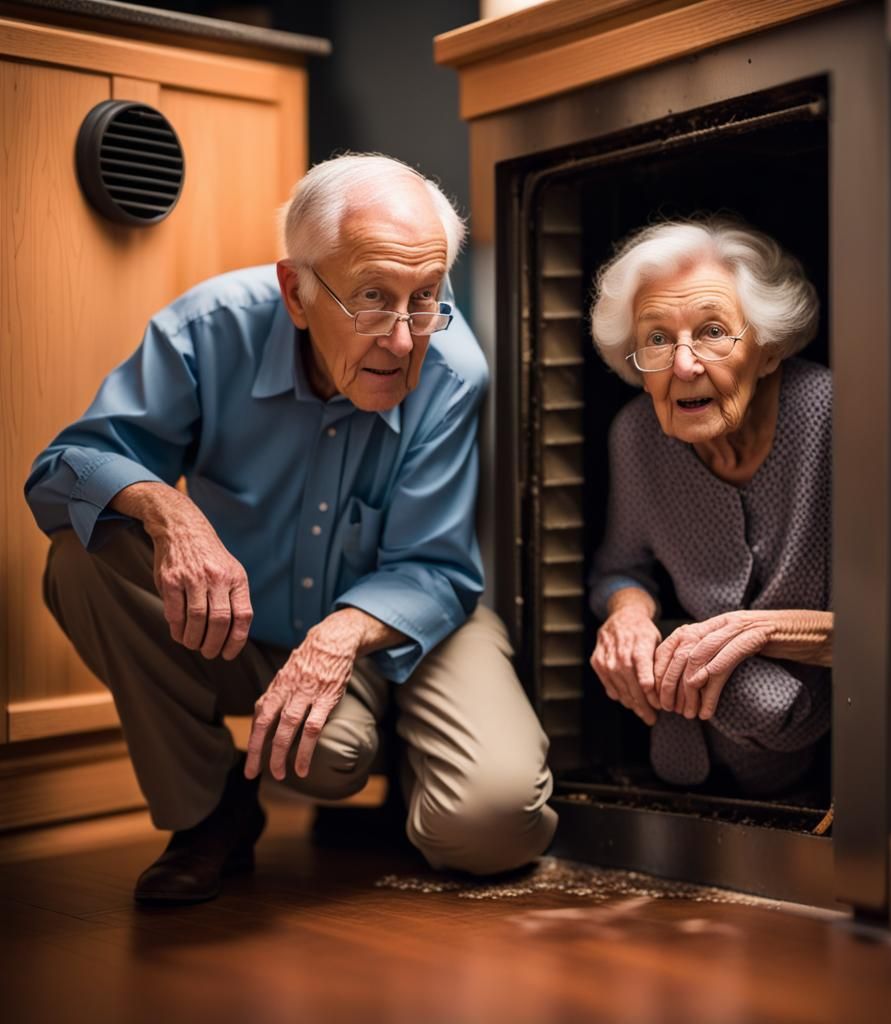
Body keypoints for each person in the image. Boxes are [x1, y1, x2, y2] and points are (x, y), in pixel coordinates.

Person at [25, 153, 556, 904]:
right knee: (84, 555)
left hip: (416, 625)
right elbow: (63, 470)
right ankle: (211, 813)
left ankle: (407, 777)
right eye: (373, 299)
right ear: (296, 292)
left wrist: (338, 640)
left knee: (493, 826)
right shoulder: (207, 332)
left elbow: (435, 569)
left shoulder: (452, 370)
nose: (404, 341)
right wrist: (169, 511)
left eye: (425, 299)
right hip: (254, 627)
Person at [587, 217, 831, 796]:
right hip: (689, 736)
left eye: (713, 331)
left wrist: (755, 631)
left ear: (768, 349)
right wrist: (627, 616)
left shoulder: (831, 416)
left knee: (761, 696)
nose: (684, 365)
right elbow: (620, 567)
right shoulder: (638, 436)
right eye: (657, 338)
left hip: (829, 733)